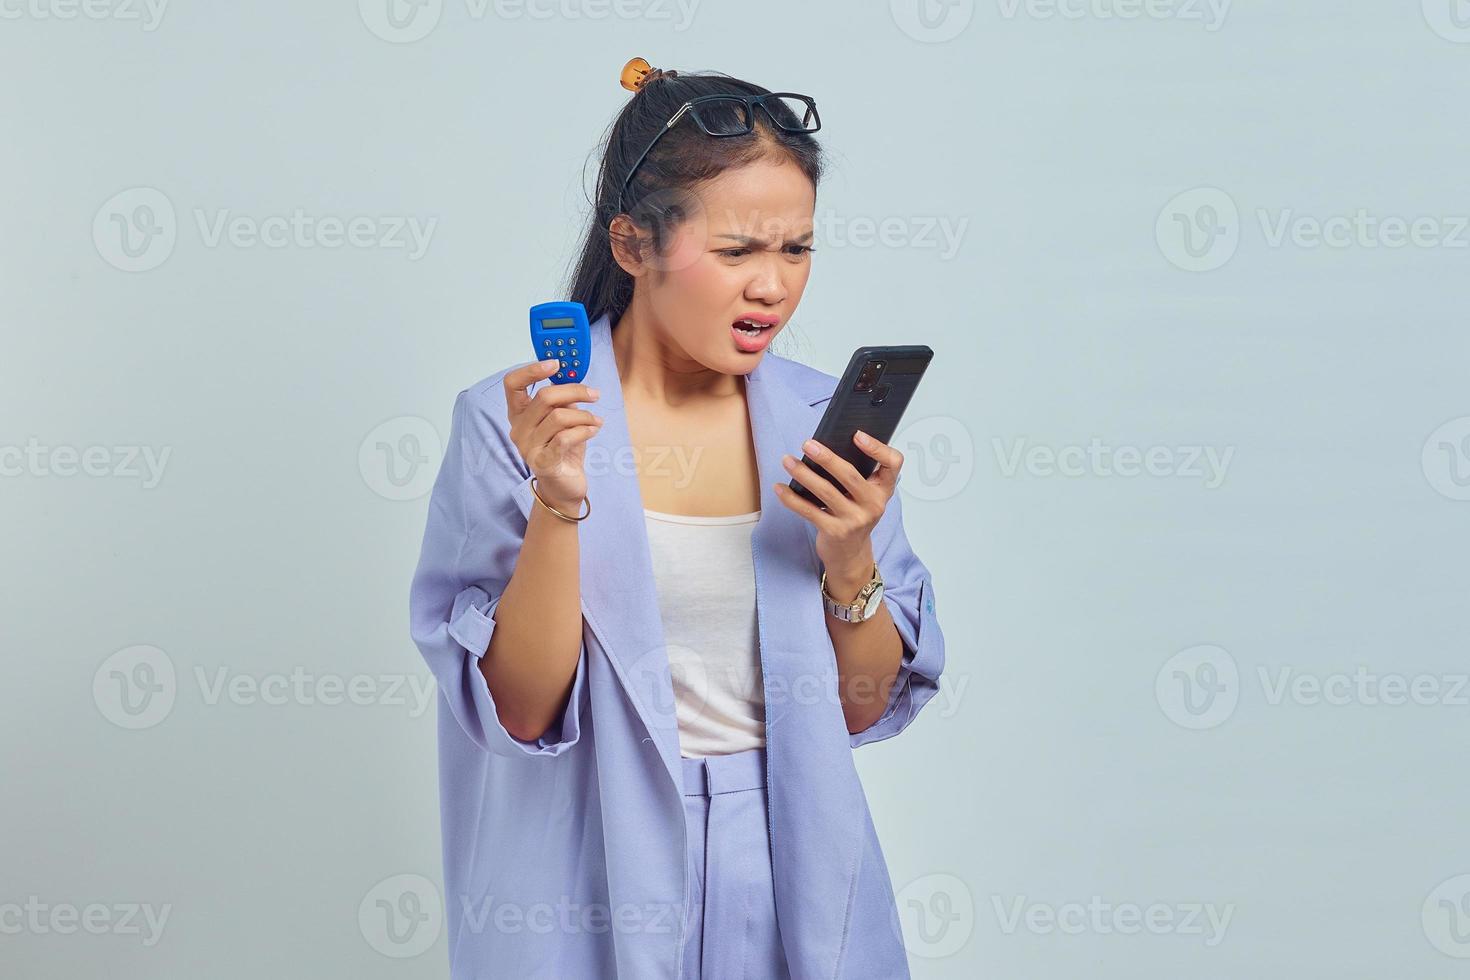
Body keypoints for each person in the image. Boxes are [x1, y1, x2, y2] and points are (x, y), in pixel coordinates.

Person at [408, 57, 947, 979]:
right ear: (632, 245)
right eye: (738, 252)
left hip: (793, 857)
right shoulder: (519, 424)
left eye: (797, 249)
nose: (773, 286)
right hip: (586, 862)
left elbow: (860, 714)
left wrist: (850, 557)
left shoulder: (821, 422)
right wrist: (559, 501)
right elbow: (521, 711)